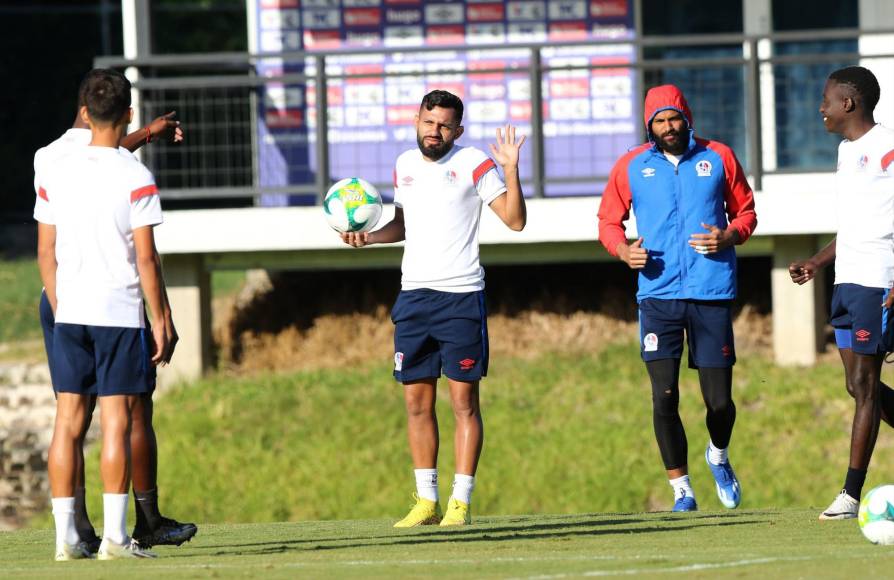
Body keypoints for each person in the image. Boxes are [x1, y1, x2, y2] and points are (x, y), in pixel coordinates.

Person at [341, 90, 526, 526]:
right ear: (417, 121)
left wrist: (512, 170)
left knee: (463, 403)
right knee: (416, 405)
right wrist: (368, 236)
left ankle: (460, 502)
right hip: (413, 298)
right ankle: (427, 501)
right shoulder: (405, 165)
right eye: (429, 122)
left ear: (457, 131)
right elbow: (403, 226)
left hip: (460, 297)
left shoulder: (474, 162)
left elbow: (515, 220)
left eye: (444, 125)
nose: (435, 131)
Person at [34, 93, 196, 551]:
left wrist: (59, 298)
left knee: (69, 418)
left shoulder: (51, 162)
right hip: (116, 305)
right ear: (125, 112)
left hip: (66, 301)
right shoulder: (131, 171)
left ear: (84, 108)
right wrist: (161, 316)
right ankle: (123, 533)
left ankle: (68, 534)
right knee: (121, 419)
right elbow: (146, 256)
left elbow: (45, 249)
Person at [598, 84, 757, 512]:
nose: (669, 128)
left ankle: (718, 456)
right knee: (664, 396)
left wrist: (730, 234)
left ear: (688, 119)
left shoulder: (718, 156)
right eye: (660, 121)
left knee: (719, 402)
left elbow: (746, 212)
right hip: (658, 294)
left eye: (675, 119)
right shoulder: (631, 165)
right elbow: (608, 221)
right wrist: (622, 250)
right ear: (650, 126)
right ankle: (681, 489)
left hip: (711, 291)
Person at [789, 66, 894, 520]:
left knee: (867, 388)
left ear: (848, 104)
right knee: (855, 384)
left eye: (827, 100)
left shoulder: (887, 147)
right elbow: (854, 224)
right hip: (846, 280)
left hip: (878, 279)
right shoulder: (845, 152)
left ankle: (850, 496)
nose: (821, 108)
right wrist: (816, 262)